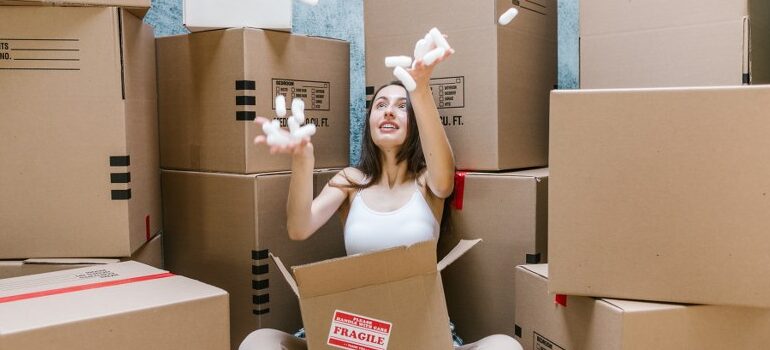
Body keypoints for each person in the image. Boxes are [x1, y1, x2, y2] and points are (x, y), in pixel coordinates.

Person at [242, 42, 522, 350]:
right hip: (358, 330)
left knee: (504, 346)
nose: (389, 110)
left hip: (417, 328)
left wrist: (420, 88)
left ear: (415, 124)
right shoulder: (350, 182)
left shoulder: (428, 184)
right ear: (371, 122)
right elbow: (299, 228)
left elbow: (444, 178)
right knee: (259, 342)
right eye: (380, 105)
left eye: (402, 107)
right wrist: (302, 159)